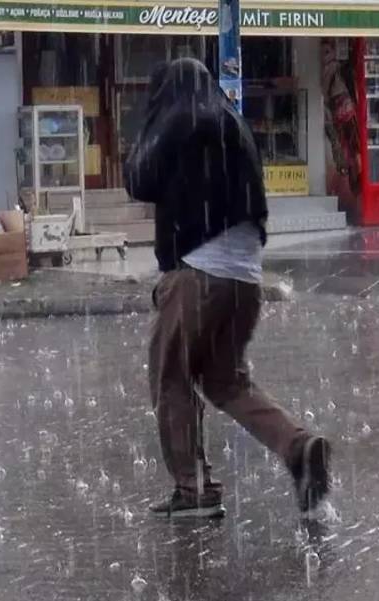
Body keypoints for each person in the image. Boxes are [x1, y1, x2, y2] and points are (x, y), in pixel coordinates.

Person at [125, 58, 331, 519]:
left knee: (172, 379)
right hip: (246, 282)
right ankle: (299, 446)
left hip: (196, 275)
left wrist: (144, 129)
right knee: (227, 381)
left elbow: (138, 180)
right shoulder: (231, 121)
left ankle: (194, 490)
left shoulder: (180, 120)